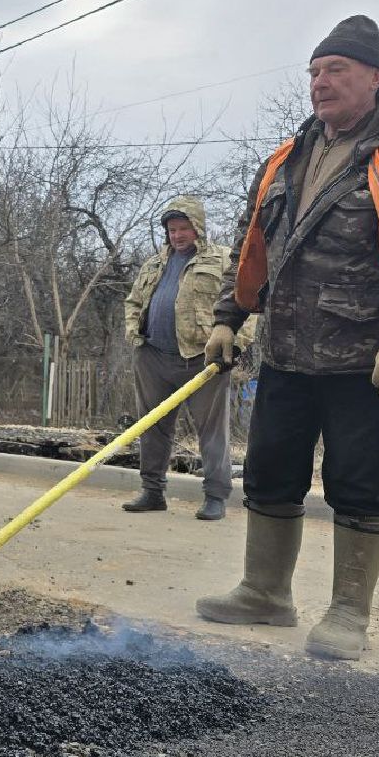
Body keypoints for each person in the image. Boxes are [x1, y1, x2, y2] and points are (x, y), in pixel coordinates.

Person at [198, 15, 379, 660]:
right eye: (314, 72)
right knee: (269, 471)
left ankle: (348, 612)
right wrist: (228, 318)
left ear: (374, 77)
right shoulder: (293, 154)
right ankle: (265, 593)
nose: (321, 83)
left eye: (336, 70)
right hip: (288, 351)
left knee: (358, 480)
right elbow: (254, 246)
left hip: (365, 358)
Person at [122, 196, 253, 520]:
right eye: (172, 229)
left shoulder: (223, 260)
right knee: (151, 427)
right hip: (153, 357)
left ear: (198, 228)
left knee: (211, 431)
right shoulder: (154, 264)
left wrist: (234, 345)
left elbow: (249, 304)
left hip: (203, 361)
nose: (177, 235)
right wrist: (133, 335)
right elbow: (133, 302)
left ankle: (215, 497)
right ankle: (152, 492)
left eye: (184, 228)